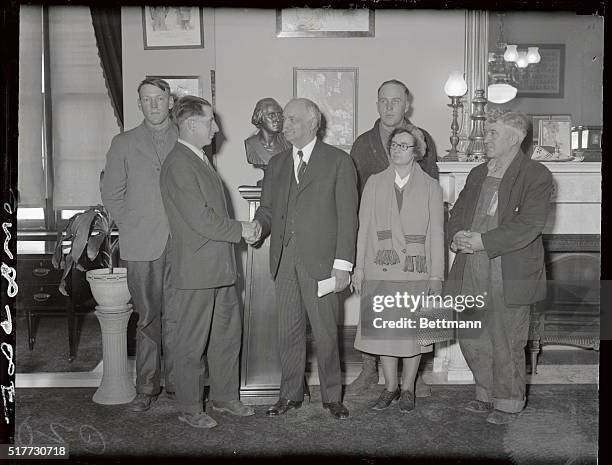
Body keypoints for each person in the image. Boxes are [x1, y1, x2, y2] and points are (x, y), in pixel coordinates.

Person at [251, 98, 358, 420]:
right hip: (283, 261)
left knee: (326, 334)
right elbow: (268, 209)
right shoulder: (278, 164)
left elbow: (347, 216)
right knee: (288, 332)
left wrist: (343, 265)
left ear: (313, 123)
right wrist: (259, 225)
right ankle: (290, 394)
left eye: (293, 119)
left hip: (322, 265)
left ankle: (332, 397)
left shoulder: (339, 161)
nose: (286, 124)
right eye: (285, 118)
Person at [445, 111, 553, 425]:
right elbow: (458, 212)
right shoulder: (478, 172)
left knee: (506, 339)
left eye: (493, 133)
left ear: (515, 138)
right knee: (472, 334)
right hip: (470, 265)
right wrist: (456, 237)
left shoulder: (536, 175)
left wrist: (483, 241)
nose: (485, 138)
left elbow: (529, 225)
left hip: (508, 266)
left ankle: (508, 403)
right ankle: (485, 394)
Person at [159, 96, 256, 428]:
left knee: (227, 337)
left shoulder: (197, 159)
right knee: (191, 343)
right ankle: (189, 407)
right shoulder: (178, 164)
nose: (217, 127)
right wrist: (241, 229)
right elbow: (201, 220)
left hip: (219, 268)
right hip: (196, 271)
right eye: (210, 121)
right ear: (189, 124)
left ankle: (225, 398)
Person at [348, 79, 439, 396]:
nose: (389, 107)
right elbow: (354, 197)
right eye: (383, 100)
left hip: (412, 253)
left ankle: (416, 376)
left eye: (395, 101)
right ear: (376, 104)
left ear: (406, 105)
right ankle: (370, 369)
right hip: (378, 246)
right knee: (377, 316)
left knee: (414, 318)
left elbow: (430, 195)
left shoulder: (422, 140)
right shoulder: (363, 144)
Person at [101, 78, 178, 412]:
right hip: (141, 244)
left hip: (182, 243)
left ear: (169, 101)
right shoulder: (124, 142)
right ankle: (147, 387)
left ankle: (180, 386)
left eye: (159, 99)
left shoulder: (187, 135)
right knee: (148, 318)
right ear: (139, 104)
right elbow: (111, 194)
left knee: (180, 317)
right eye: (146, 100)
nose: (153, 105)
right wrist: (131, 225)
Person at [244, 97, 291, 167]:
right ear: (260, 118)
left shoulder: (287, 142)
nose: (277, 119)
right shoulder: (251, 144)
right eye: (271, 115)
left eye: (279, 114)